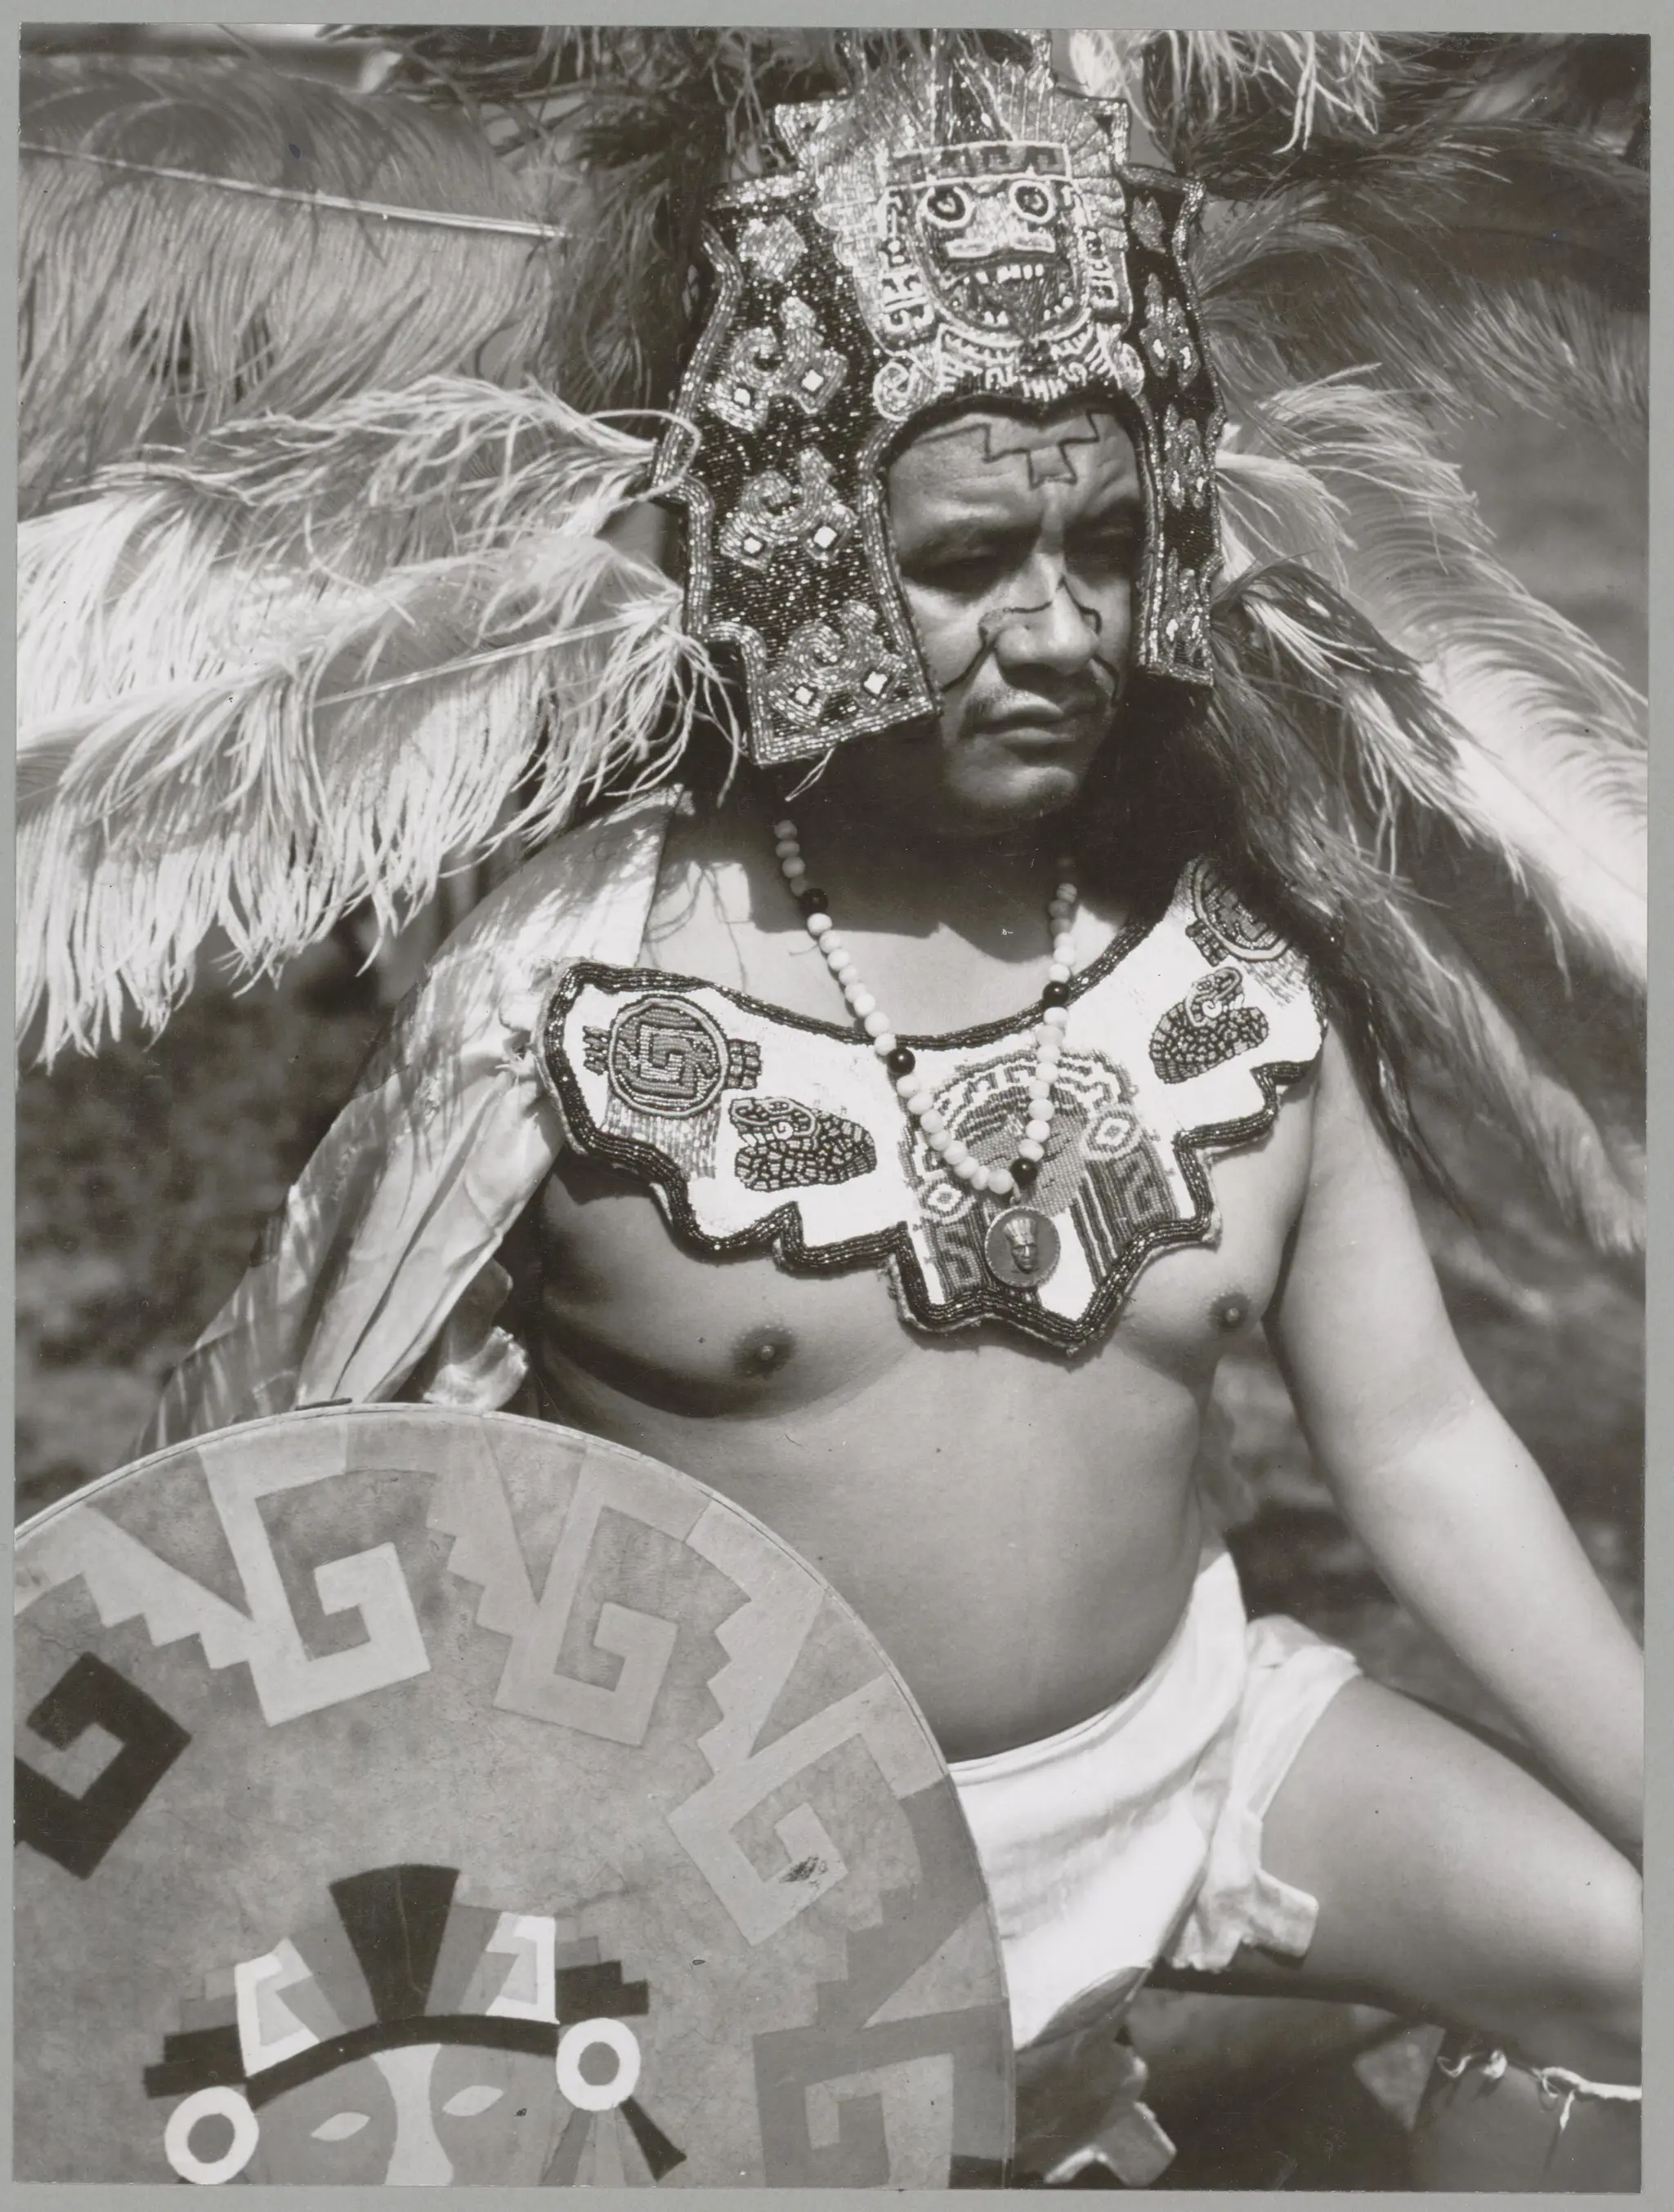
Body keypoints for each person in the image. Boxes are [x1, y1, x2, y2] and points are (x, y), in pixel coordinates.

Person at [25, 32, 1644, 2192]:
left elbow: (1425, 1443)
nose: (1057, 625)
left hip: (1187, 1772)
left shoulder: (1228, 977)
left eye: (1107, 541)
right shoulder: (583, 988)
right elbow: (283, 1462)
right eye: (972, 558)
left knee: (1631, 1964)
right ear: (795, 546)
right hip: (733, 1884)